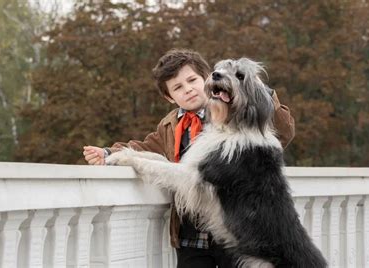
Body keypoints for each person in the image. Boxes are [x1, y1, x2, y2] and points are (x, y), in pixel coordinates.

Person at [83, 49, 295, 268]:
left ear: (207, 77)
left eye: (192, 80)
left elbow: (282, 132)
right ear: (169, 97)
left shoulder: (234, 110)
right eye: (178, 88)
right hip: (190, 233)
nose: (188, 90)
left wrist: (262, 92)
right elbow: (144, 147)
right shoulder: (170, 125)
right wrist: (109, 153)